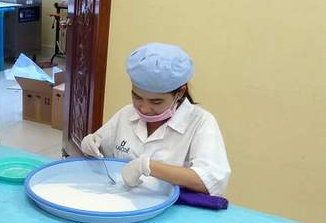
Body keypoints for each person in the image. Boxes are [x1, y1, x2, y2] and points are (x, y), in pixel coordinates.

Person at [80, 42, 231, 196]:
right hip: (120, 202)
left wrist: (148, 167)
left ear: (180, 92)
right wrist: (91, 145)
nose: (144, 108)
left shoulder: (201, 122)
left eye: (156, 101)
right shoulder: (126, 114)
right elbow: (101, 153)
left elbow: (211, 181)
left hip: (169, 211)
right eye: (137, 97)